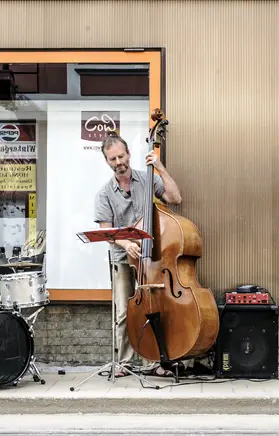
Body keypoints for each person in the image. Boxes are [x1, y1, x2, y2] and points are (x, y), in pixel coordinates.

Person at [94, 133, 182, 377]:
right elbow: (105, 231)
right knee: (123, 311)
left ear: (129, 154)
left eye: (121, 156)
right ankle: (124, 362)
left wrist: (160, 167)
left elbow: (175, 198)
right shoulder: (104, 194)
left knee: (152, 307)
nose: (118, 162)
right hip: (123, 260)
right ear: (107, 161)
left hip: (151, 258)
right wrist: (124, 244)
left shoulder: (147, 179)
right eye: (112, 159)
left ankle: (153, 361)